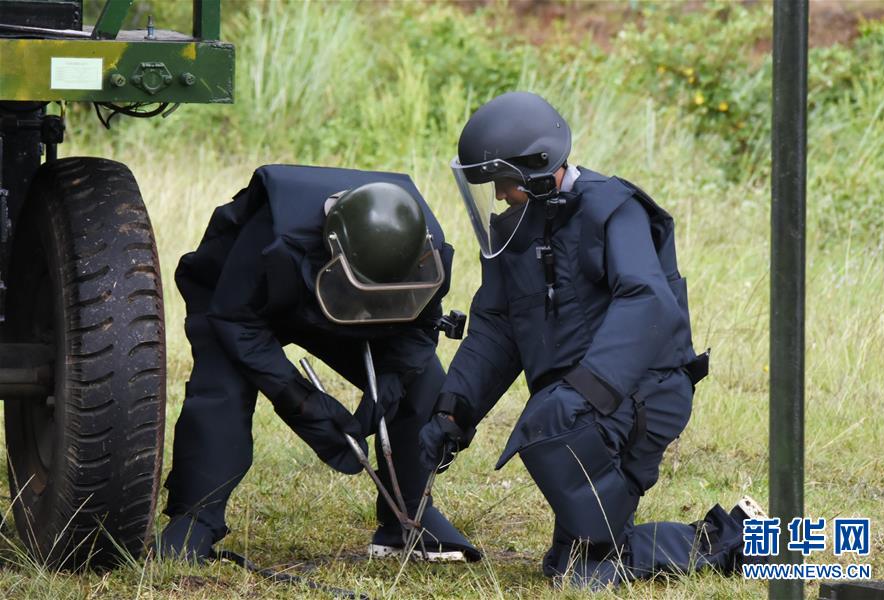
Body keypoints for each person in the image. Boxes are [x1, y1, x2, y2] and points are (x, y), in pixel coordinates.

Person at [419, 91, 761, 589]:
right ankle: (745, 540)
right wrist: (453, 412)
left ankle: (734, 540)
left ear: (539, 167)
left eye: (505, 182)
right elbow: (496, 327)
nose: (498, 195)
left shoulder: (612, 209)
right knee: (575, 567)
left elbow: (649, 301)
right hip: (581, 408)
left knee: (553, 437)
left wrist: (584, 390)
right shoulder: (515, 229)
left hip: (645, 393)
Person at [157, 164, 480, 563]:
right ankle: (194, 519)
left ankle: (410, 517)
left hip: (351, 300)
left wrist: (394, 379)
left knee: (426, 384)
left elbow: (423, 326)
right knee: (221, 392)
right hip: (243, 305)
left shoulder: (424, 251)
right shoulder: (274, 240)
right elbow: (234, 320)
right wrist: (299, 399)